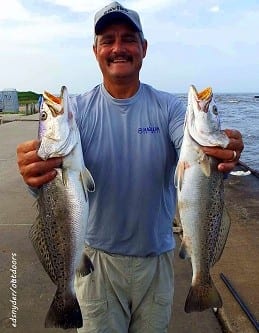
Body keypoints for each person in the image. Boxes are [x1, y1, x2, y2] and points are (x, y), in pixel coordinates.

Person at [17, 2, 244, 332]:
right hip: (97, 265)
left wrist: (222, 149)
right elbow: (51, 185)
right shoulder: (75, 113)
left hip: (157, 262)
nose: (118, 48)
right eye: (107, 39)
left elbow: (191, 146)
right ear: (95, 50)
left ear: (144, 48)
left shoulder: (169, 108)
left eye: (128, 39)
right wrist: (32, 174)